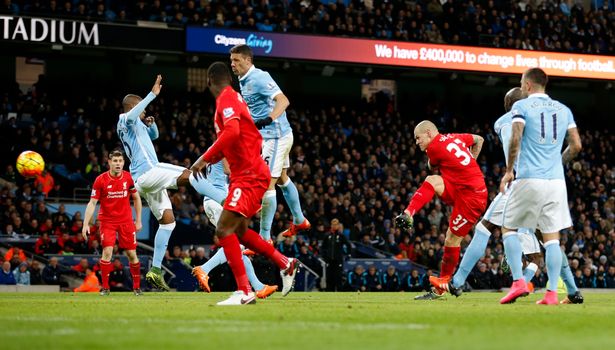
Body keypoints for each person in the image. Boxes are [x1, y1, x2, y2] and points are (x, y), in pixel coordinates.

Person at [190, 61, 298, 305]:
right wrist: (213, 158)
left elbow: (232, 133)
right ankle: (286, 263)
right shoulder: (235, 98)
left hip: (248, 174)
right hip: (248, 173)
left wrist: (202, 160)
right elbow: (233, 139)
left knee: (223, 229)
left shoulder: (226, 99)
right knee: (239, 231)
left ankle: (244, 291)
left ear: (209, 82)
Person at [117, 75, 224, 290]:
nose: (145, 111)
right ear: (134, 106)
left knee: (168, 222)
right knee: (193, 174)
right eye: (141, 108)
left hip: (145, 181)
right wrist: (152, 95)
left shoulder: (136, 124)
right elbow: (130, 117)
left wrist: (152, 124)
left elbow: (154, 136)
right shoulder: (124, 118)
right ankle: (227, 200)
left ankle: (155, 270)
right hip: (149, 172)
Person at [499, 67, 582, 305]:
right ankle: (552, 295)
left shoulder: (521, 107)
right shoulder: (564, 109)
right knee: (552, 238)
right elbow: (576, 145)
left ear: (527, 85)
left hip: (529, 178)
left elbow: (516, 138)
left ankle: (518, 283)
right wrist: (558, 161)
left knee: (508, 228)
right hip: (556, 182)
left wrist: (508, 171)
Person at [395, 120, 487, 300]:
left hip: (472, 197)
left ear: (429, 133)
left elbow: (431, 165)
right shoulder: (453, 137)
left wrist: (466, 165)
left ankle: (443, 286)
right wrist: (471, 161)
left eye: (418, 138)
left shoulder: (433, 148)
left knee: (451, 239)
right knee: (432, 180)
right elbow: (479, 139)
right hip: (462, 188)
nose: (416, 142)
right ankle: (408, 214)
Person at [230, 44, 310, 240]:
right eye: (231, 60)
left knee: (266, 185)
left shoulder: (259, 77)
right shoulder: (243, 78)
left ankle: (264, 238)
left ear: (248, 61)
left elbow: (283, 100)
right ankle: (299, 220)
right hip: (269, 137)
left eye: (236, 60)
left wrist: (270, 118)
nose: (232, 64)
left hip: (276, 136)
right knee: (282, 178)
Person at [191, 161, 278, 299]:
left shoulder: (213, 150)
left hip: (215, 201)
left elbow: (198, 167)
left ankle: (259, 287)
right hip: (218, 201)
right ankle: (204, 269)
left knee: (237, 248)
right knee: (235, 244)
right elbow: (229, 170)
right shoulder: (225, 148)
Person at [82, 150, 143, 296]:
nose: (118, 164)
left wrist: (139, 219)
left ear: (123, 163)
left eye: (120, 161)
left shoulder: (128, 177)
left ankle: (136, 288)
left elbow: (136, 198)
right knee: (107, 252)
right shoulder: (100, 180)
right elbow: (92, 203)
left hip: (126, 220)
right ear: (109, 162)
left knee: (131, 254)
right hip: (107, 221)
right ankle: (105, 288)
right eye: (115, 161)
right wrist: (85, 224)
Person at [321, 218, 352, 291]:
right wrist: (324, 256)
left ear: (338, 225)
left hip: (338, 261)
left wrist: (349, 254)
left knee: (338, 277)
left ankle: (339, 294)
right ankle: (329, 294)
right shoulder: (327, 236)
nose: (334, 226)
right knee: (329, 277)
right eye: (333, 224)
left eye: (336, 224)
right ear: (331, 225)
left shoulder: (341, 236)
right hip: (329, 261)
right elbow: (323, 247)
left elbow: (348, 245)